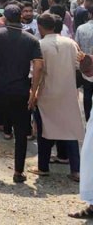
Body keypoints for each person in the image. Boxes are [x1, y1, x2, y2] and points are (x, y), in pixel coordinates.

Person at [0, 5, 43, 183]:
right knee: (21, 130)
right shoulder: (31, 40)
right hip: (21, 89)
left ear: (4, 18)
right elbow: (38, 67)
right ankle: (18, 171)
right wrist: (33, 91)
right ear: (21, 17)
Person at [27, 13, 83, 181]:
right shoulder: (71, 43)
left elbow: (36, 71)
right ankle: (76, 170)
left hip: (47, 93)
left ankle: (43, 167)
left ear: (41, 27)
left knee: (45, 129)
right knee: (71, 130)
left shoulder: (40, 44)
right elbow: (79, 65)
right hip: (68, 93)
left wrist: (33, 92)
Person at [76, 6, 93, 121]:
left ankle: (88, 119)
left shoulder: (81, 28)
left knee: (87, 93)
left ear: (89, 14)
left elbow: (77, 48)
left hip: (86, 67)